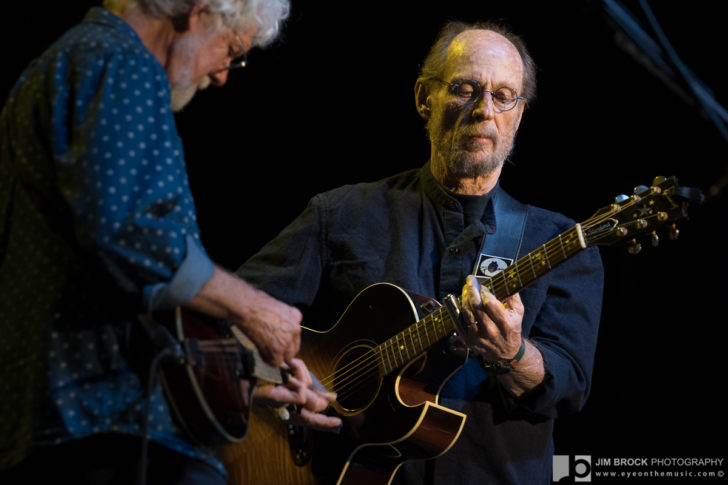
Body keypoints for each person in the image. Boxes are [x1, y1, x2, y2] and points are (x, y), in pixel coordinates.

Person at [236, 20, 604, 484]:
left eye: (503, 95)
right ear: (423, 99)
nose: (483, 110)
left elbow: (569, 387)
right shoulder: (342, 213)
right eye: (465, 88)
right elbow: (236, 311)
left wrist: (512, 354)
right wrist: (283, 381)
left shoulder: (561, 243)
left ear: (519, 114)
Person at [0, 1, 339, 484]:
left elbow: (114, 285)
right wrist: (256, 309)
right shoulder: (119, 60)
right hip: (112, 431)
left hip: (76, 420)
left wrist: (242, 384)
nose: (223, 75)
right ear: (199, 11)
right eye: (231, 50)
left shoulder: (69, 65)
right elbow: (133, 240)